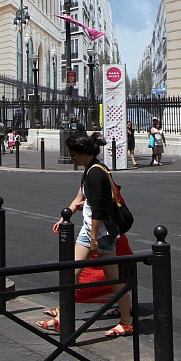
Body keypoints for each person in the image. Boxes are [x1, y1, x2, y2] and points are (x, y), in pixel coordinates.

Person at [38, 133, 134, 338]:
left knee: (114, 279)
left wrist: (93, 239)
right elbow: (81, 198)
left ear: (84, 153)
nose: (71, 157)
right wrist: (64, 217)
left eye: (73, 154)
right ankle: (63, 317)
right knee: (71, 273)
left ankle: (126, 321)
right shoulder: (89, 170)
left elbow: (98, 210)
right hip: (89, 230)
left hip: (101, 234)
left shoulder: (96, 173)